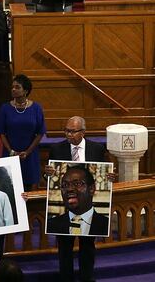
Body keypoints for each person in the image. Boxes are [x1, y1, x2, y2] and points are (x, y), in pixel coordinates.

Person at [47, 116, 111, 281]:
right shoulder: (56, 149)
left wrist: (110, 177)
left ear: (83, 132)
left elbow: (104, 173)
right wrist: (46, 174)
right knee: (64, 249)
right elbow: (49, 177)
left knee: (87, 248)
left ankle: (86, 278)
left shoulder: (96, 149)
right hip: (67, 212)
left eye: (72, 131)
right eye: (66, 131)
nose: (68, 135)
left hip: (87, 210)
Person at [0, 74, 45, 190]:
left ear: (26, 91)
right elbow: (1, 133)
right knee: (9, 186)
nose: (13, 89)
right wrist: (11, 151)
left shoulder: (36, 108)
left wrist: (28, 152)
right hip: (10, 153)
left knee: (28, 189)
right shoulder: (5, 108)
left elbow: (40, 132)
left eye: (17, 87)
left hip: (30, 154)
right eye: (12, 87)